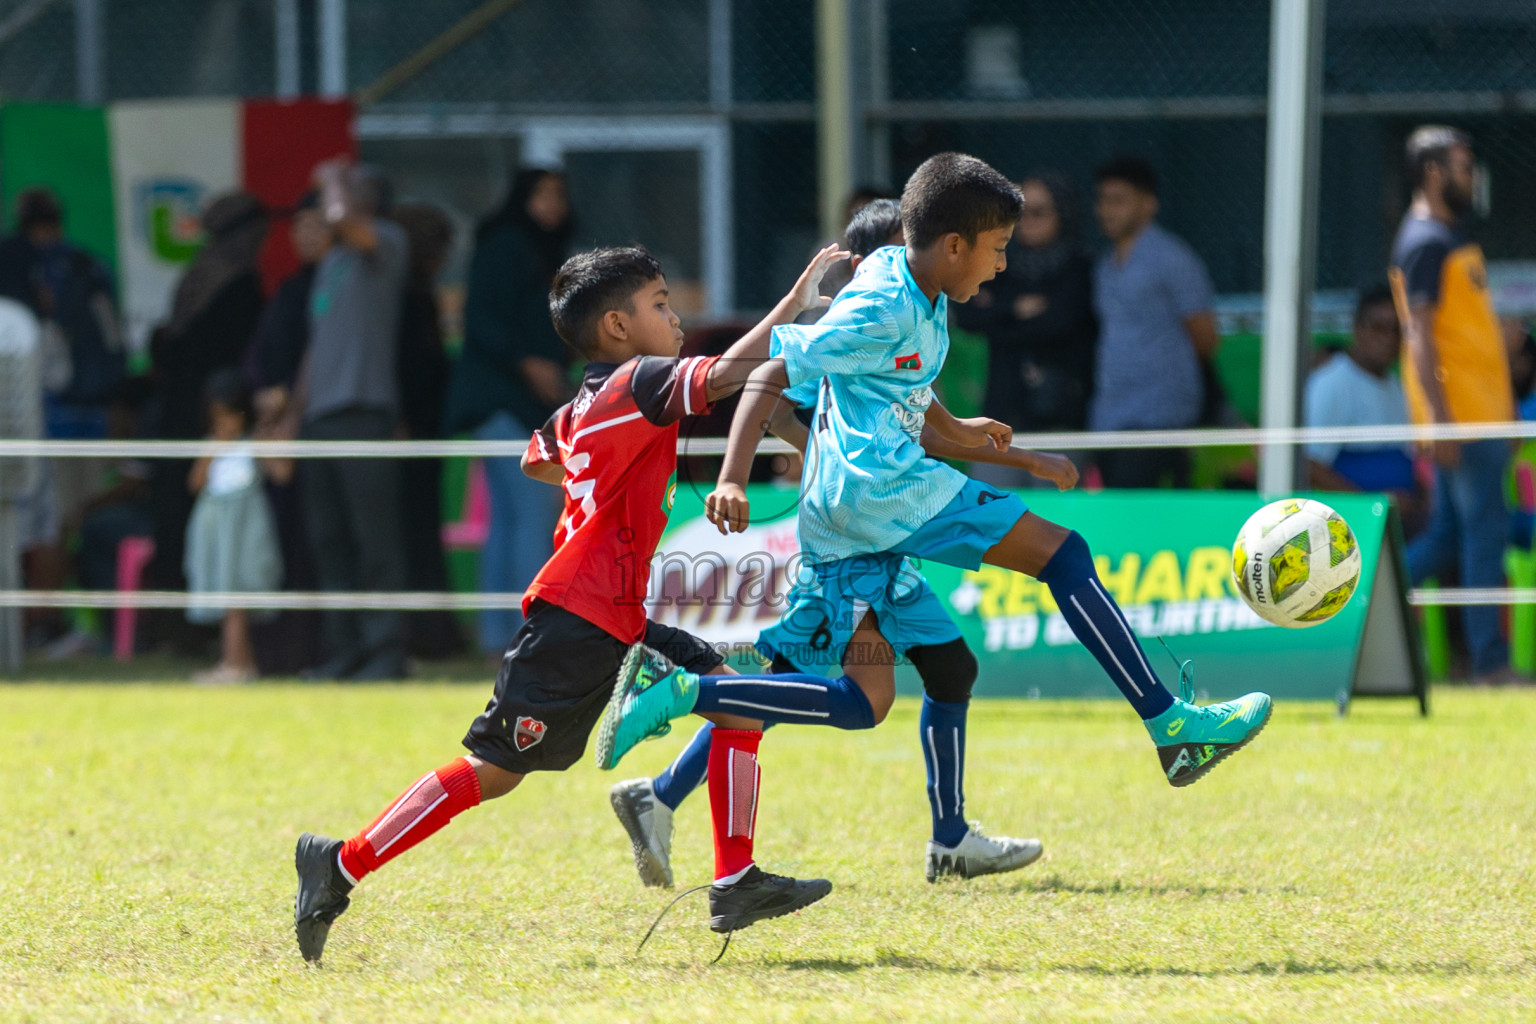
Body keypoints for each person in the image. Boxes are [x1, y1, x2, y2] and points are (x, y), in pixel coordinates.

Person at [596, 153, 1272, 798]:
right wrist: (733, 476)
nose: (1005, 263)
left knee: (861, 698)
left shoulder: (918, 283)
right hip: (882, 492)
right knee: (1065, 556)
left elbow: (909, 395)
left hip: (852, 506)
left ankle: (684, 693)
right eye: (998, 246)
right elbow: (771, 369)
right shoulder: (884, 302)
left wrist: (997, 448)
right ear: (954, 244)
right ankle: (1172, 727)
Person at [291, 243, 851, 966]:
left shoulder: (588, 399)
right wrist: (799, 300)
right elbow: (733, 376)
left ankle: (736, 880)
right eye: (659, 304)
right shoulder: (640, 383)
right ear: (617, 327)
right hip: (577, 619)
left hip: (611, 613)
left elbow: (538, 456)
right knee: (493, 771)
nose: (675, 318)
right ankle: (338, 865)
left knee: (740, 701)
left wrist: (601, 480)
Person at [609, 196, 1056, 889]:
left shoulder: (897, 330)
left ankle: (947, 840)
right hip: (849, 551)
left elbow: (921, 423)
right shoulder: (853, 328)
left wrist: (1015, 456)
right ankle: (681, 720)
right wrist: (740, 473)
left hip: (879, 543)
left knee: (935, 669)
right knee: (856, 700)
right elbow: (765, 384)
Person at [1389, 126, 1516, 683]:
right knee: (1483, 536)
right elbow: (1417, 335)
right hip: (1463, 420)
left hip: (1482, 416)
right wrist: (1440, 422)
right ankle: (1489, 664)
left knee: (1450, 536)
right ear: (1435, 172)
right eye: (1464, 166)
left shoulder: (1445, 235)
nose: (1472, 176)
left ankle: (1361, 600)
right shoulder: (1424, 241)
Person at [443, 169, 574, 659]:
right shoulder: (507, 246)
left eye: (559, 194)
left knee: (506, 519)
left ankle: (497, 636)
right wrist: (529, 364)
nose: (554, 203)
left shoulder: (538, 250)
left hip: (508, 400)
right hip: (504, 399)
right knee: (530, 514)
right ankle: (528, 635)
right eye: (543, 193)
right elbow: (485, 320)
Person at [296, 160, 411, 681]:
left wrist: (330, 176)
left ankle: (385, 652)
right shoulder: (331, 261)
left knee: (375, 541)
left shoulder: (384, 243)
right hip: (321, 417)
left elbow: (342, 214)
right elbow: (316, 349)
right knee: (329, 540)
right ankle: (344, 652)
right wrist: (292, 415)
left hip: (364, 412)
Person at [0, 188, 124, 647]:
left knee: (46, 526)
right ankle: (45, 624)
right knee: (60, 524)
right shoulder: (86, 264)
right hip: (74, 422)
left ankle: (42, 625)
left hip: (41, 423)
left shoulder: (40, 266)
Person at [147, 191, 269, 607]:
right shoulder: (235, 284)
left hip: (180, 414)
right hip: (209, 418)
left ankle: (180, 619)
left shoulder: (195, 276)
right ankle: (193, 619)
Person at [954, 173, 1097, 488]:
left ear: (1064, 212)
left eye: (1039, 212)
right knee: (990, 511)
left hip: (1058, 418)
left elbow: (1060, 324)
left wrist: (999, 320)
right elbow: (967, 315)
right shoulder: (1000, 264)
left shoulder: (1079, 267)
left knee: (1053, 522)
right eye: (1019, 213)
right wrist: (1015, 308)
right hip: (1000, 418)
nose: (1026, 222)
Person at [1090, 157, 1219, 488]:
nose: (1107, 210)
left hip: (1159, 416)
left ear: (1149, 204)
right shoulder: (1105, 264)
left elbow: (1205, 336)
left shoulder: (1173, 258)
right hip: (1110, 415)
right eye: (1102, 200)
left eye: (1118, 200)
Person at [183, 369, 291, 683]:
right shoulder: (211, 444)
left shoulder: (254, 441)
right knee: (227, 597)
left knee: (238, 596)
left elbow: (283, 473)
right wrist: (213, 448)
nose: (225, 424)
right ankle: (239, 664)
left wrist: (268, 438)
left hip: (246, 529)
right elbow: (195, 483)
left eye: (229, 416)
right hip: (215, 528)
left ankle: (236, 665)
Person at [391, 202, 461, 660]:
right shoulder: (409, 298)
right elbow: (412, 367)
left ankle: (430, 634)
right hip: (411, 430)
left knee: (413, 532)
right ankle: (426, 634)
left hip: (419, 429)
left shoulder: (410, 294)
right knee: (411, 534)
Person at [1304, 285, 1417, 495]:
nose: (1388, 338)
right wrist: (1372, 506)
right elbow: (1309, 464)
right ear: (1357, 328)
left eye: (1397, 329)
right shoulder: (1332, 383)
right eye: (1378, 327)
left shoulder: (1397, 385)